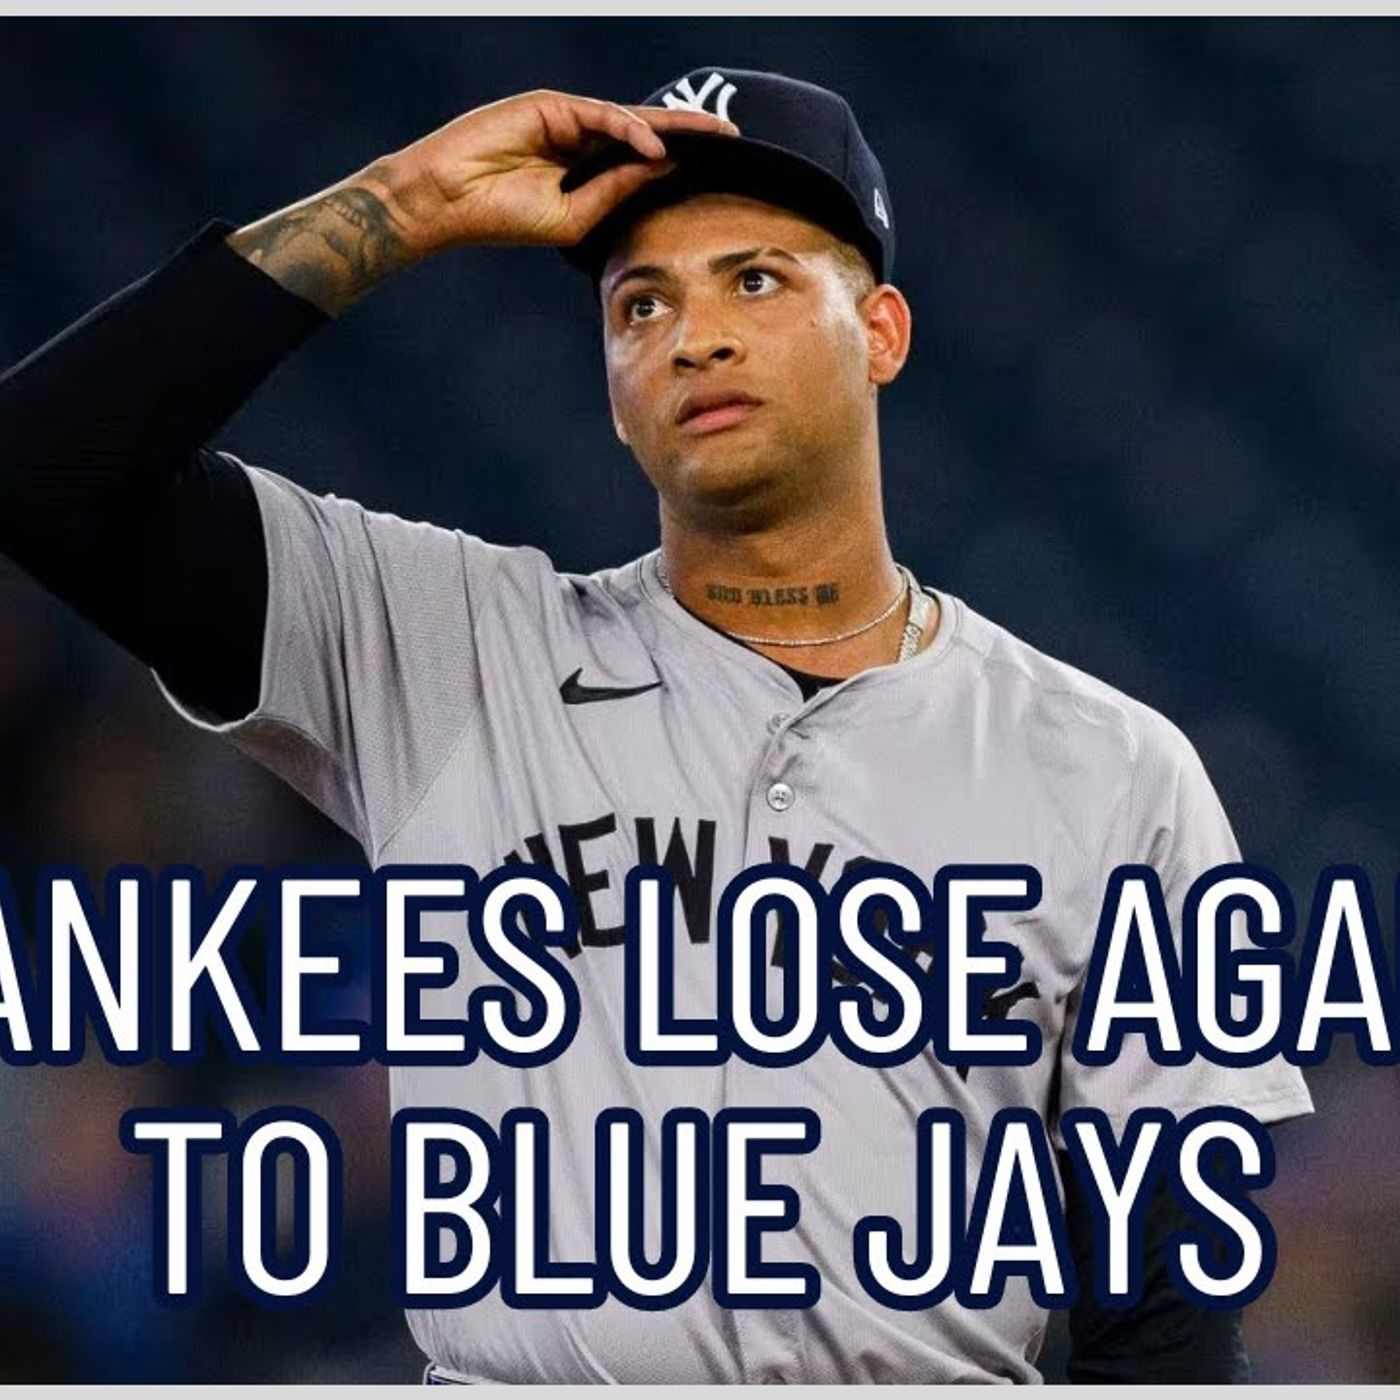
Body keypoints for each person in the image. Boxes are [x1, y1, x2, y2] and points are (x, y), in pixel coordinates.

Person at [0, 68, 1311, 1384]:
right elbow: (44, 469)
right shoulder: (455, 650)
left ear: (882, 333)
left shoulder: (1110, 766)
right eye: (642, 304)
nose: (695, 337)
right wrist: (406, 204)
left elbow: (1167, 1307)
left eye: (756, 279)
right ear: (614, 391)